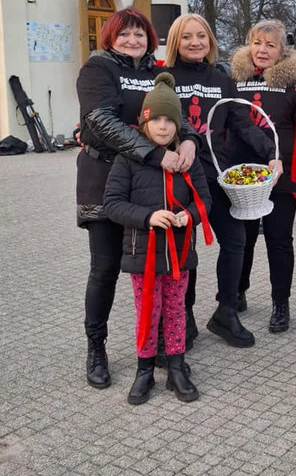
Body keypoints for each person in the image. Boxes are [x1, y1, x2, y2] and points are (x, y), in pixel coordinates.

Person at [76, 8, 200, 390]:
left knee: (158, 264)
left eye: (140, 34)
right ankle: (96, 347)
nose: (133, 41)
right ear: (109, 37)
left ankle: (162, 344)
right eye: (125, 34)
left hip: (150, 187)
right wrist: (153, 153)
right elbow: (100, 121)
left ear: (150, 38)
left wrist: (191, 138)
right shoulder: (97, 70)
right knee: (106, 268)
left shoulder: (152, 72)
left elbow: (172, 111)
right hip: (105, 182)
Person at [164, 14, 282, 349]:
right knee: (182, 249)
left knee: (234, 241)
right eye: (186, 37)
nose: (195, 42)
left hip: (216, 174)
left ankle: (226, 311)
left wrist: (271, 153)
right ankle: (182, 315)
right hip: (176, 178)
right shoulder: (164, 77)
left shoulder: (222, 78)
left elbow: (243, 124)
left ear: (210, 41)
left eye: (201, 35)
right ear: (175, 41)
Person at [104, 73, 212, 404]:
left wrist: (189, 216)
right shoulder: (129, 159)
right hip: (143, 254)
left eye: (170, 120)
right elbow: (112, 203)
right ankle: (144, 370)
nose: (163, 127)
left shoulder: (187, 160)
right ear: (144, 122)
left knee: (177, 309)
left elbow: (204, 201)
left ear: (178, 125)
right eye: (156, 120)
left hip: (179, 254)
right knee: (148, 311)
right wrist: (148, 217)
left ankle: (177, 367)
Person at [229, 19, 296, 333]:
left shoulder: (295, 83)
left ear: (283, 50)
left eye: (270, 44)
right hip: (243, 173)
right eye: (257, 43)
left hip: (282, 173)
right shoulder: (234, 78)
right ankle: (237, 292)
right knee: (241, 240)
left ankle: (280, 303)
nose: (262, 50)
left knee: (279, 241)